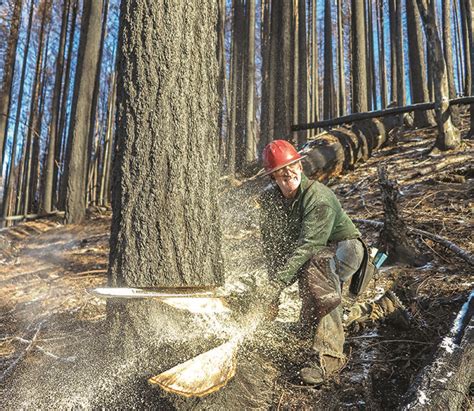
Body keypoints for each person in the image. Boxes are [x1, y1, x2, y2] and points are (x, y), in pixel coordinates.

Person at [259, 139, 365, 386]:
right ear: (272, 178)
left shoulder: (318, 197)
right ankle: (320, 329)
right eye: (281, 175)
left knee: (317, 269)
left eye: (291, 171)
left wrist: (276, 285)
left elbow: (310, 246)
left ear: (300, 167)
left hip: (345, 249)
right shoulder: (270, 202)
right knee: (313, 272)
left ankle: (328, 356)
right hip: (314, 253)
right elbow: (273, 247)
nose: (288, 178)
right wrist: (270, 293)